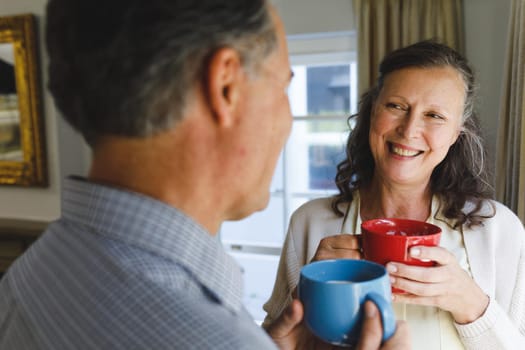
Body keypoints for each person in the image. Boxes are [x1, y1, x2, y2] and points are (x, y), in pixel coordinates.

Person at [0, 0, 409, 349]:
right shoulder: (212, 338)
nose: (287, 116)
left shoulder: (28, 275)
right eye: (283, 86)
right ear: (226, 85)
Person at [262, 40, 525, 350]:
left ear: (458, 132)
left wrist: (472, 305)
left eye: (435, 115)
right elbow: (270, 340)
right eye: (396, 106)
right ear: (373, 111)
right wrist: (307, 295)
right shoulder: (310, 223)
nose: (410, 129)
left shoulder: (498, 229)